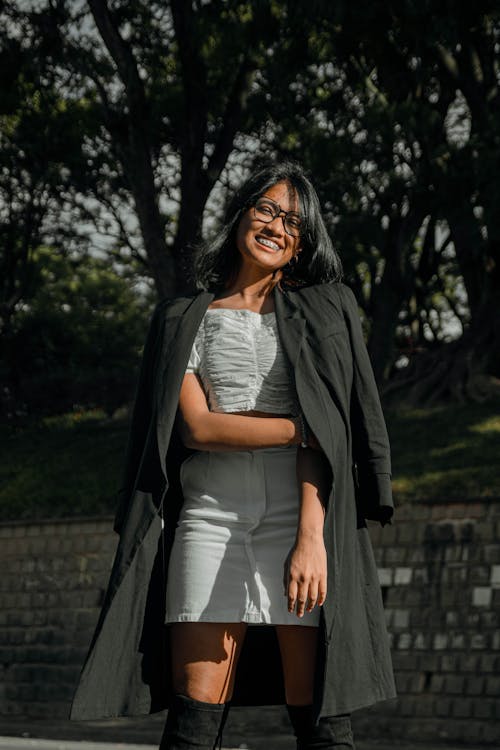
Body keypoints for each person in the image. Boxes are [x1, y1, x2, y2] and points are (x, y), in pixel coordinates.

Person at [70, 161, 396, 750]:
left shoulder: (322, 312)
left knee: (320, 716)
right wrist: (301, 428)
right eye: (266, 209)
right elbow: (196, 427)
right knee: (194, 722)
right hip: (208, 518)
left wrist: (311, 537)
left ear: (302, 243)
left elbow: (339, 428)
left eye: (293, 221)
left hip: (298, 515)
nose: (276, 226)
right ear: (243, 214)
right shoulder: (181, 318)